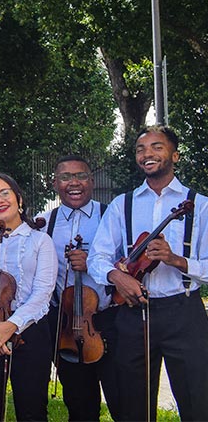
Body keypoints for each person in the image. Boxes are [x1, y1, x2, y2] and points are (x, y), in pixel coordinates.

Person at [90, 125, 208, 421]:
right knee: (134, 403)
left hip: (184, 311)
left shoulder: (201, 205)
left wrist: (177, 260)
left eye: (157, 147)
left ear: (175, 155)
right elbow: (98, 257)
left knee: (197, 399)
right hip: (134, 313)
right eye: (141, 149)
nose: (147, 154)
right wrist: (119, 277)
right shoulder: (123, 204)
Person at [0, 172, 56, 421]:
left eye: (5, 193)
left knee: (32, 409)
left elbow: (43, 292)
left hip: (30, 332)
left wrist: (11, 326)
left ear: (19, 199)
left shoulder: (40, 241)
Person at [37, 153, 118, 421]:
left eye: (80, 175)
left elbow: (129, 264)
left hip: (109, 318)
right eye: (65, 177)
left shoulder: (111, 215)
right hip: (66, 322)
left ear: (92, 181)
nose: (74, 182)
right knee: (79, 402)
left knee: (123, 397)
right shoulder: (44, 223)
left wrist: (93, 262)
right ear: (54, 183)